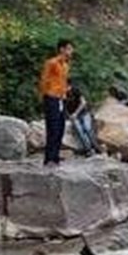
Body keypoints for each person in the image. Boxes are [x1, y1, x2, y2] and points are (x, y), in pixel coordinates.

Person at [39, 39, 73, 167]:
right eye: (69, 48)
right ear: (62, 49)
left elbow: (63, 82)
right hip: (51, 97)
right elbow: (44, 80)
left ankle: (56, 156)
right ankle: (49, 158)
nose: (71, 51)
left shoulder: (65, 65)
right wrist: (44, 96)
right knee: (52, 128)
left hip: (61, 99)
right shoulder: (52, 63)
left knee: (60, 128)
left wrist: (65, 93)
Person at [66, 79, 100, 156]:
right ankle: (88, 149)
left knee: (87, 129)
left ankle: (95, 146)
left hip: (83, 113)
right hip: (73, 116)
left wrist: (76, 113)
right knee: (79, 130)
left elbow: (83, 102)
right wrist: (69, 116)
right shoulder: (62, 93)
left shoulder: (75, 90)